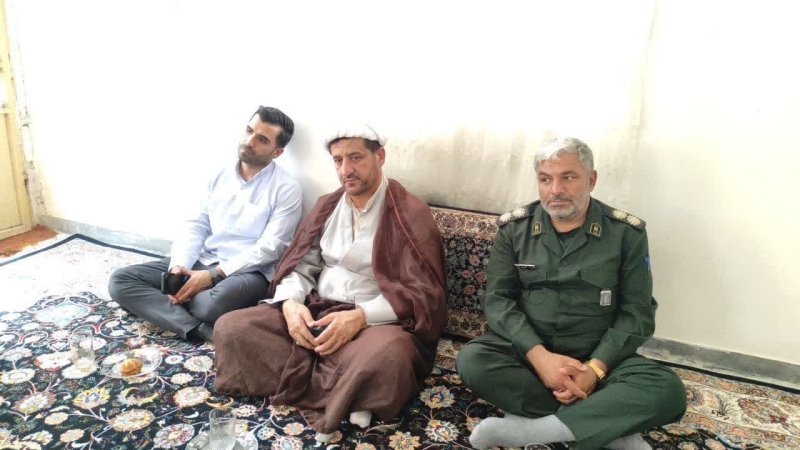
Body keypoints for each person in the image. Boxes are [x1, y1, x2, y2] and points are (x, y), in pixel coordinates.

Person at [213, 123, 447, 442]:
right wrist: (291, 304)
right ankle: (351, 393)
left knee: (388, 357)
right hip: (317, 309)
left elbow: (422, 291)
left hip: (376, 322)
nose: (346, 170)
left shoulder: (411, 212)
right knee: (232, 328)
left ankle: (343, 383)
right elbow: (302, 264)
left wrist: (360, 317)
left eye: (355, 158)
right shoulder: (327, 205)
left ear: (379, 157)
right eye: (338, 160)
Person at [456, 137, 686, 450]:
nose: (556, 190)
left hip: (601, 358)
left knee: (668, 390)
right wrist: (541, 359)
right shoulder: (514, 229)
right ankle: (608, 428)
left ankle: (532, 430)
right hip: (530, 355)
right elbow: (498, 301)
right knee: (473, 360)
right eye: (545, 179)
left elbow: (638, 313)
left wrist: (595, 369)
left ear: (591, 180)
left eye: (568, 177)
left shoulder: (625, 234)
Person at [108, 106, 302, 343]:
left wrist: (214, 275)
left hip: (246, 271)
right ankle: (197, 328)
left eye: (262, 140)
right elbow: (196, 224)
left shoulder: (286, 188)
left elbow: (271, 247)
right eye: (249, 131)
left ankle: (168, 309)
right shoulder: (218, 174)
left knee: (207, 306)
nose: (249, 141)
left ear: (277, 152)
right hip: (203, 259)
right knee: (120, 280)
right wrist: (179, 266)